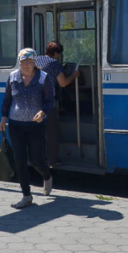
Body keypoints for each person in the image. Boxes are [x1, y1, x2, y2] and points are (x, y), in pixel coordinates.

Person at [0, 48, 54, 209]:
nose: (25, 65)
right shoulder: (12, 77)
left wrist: (43, 112)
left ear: (35, 63)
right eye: (23, 62)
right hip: (16, 125)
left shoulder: (44, 78)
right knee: (20, 160)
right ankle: (26, 196)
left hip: (36, 125)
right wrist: (3, 118)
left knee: (36, 159)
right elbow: (7, 99)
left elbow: (50, 101)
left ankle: (47, 175)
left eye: (29, 62)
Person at [35, 42, 80, 171]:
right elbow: (63, 83)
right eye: (58, 55)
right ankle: (53, 160)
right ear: (55, 53)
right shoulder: (54, 64)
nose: (58, 57)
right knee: (51, 131)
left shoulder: (37, 59)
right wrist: (73, 75)